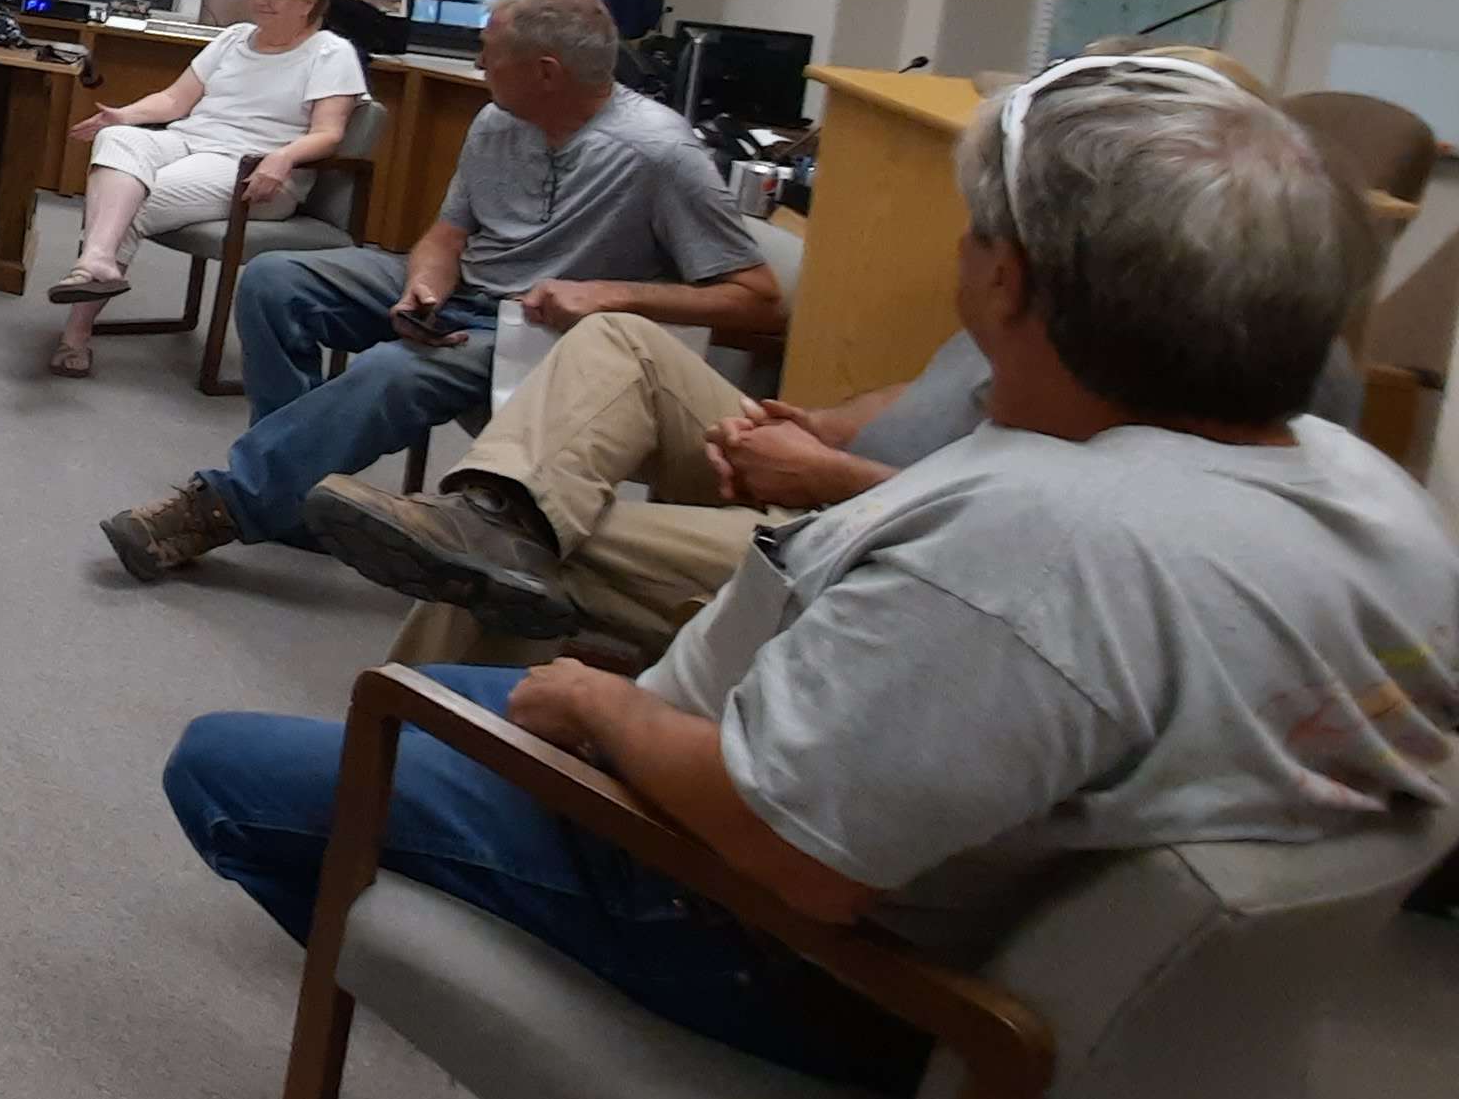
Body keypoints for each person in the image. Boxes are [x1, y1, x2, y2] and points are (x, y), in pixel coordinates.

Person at [160, 54, 1459, 1099]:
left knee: (231, 770)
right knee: (466, 707)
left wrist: (604, 711)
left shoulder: (1039, 549)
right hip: (1071, 967)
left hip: (797, 941)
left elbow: (786, 854)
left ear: (1005, 284)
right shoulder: (1370, 501)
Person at [305, 40, 1368, 668]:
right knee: (619, 344)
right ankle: (500, 508)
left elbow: (1039, 529)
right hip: (828, 479)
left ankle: (413, 755)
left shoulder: (1221, 348)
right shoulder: (1080, 276)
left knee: (513, 569)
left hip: (877, 540)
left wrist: (835, 477)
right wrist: (820, 423)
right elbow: (952, 387)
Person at [99, 0, 781, 582]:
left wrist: (608, 295)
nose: (478, 65)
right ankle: (290, 496)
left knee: (396, 371)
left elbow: (755, 300)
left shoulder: (659, 152)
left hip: (542, 336)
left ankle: (221, 504)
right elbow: (449, 232)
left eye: (490, 52)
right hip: (463, 293)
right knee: (275, 282)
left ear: (546, 71)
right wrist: (422, 285)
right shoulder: (498, 119)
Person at [43, 0, 366, 379]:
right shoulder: (233, 38)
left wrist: (283, 156)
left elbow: (329, 133)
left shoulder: (331, 53)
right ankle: (97, 261)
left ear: (309, 2)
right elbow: (177, 99)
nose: (261, 0)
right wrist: (125, 115)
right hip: (191, 142)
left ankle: (76, 335)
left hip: (256, 171)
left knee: (131, 201)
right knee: (119, 140)